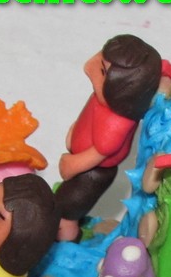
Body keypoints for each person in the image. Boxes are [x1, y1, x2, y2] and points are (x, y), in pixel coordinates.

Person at [56, 34, 162, 241]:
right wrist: (73, 135)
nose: (89, 67)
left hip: (92, 173)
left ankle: (65, 243)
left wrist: (74, 164)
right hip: (85, 165)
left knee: (66, 211)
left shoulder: (117, 120)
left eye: (102, 71)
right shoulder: (101, 99)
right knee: (62, 202)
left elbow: (102, 150)